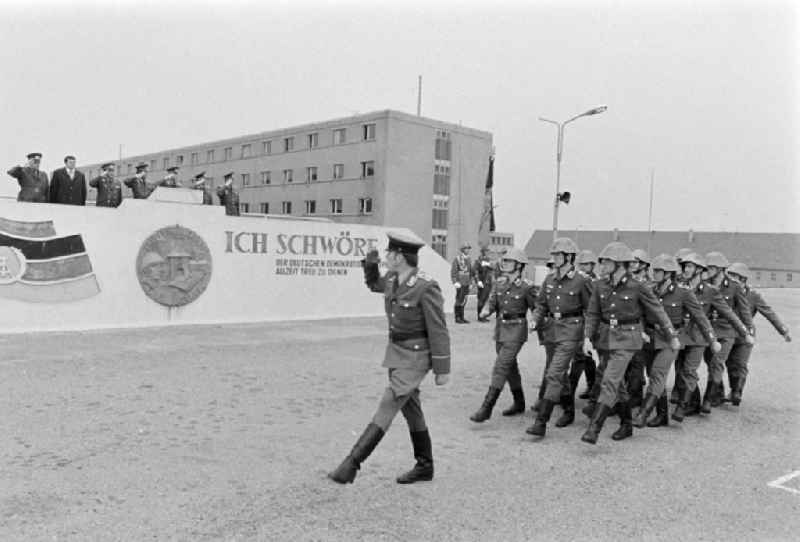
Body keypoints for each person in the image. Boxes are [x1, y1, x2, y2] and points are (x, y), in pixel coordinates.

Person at [328, 232, 450, 485]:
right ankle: (425, 465)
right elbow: (375, 285)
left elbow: (438, 329)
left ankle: (351, 464)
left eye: (389, 254)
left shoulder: (425, 286)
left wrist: (442, 368)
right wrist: (370, 266)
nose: (386, 257)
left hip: (416, 357)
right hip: (396, 354)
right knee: (411, 408)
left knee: (389, 402)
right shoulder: (394, 279)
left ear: (401, 257)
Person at [580, 242, 678, 444]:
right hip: (606, 338)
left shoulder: (638, 286)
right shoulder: (600, 285)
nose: (603, 264)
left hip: (628, 339)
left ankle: (594, 429)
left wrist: (672, 336)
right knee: (619, 385)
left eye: (607, 261)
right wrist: (588, 338)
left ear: (620, 264)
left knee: (609, 380)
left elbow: (657, 311)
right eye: (603, 261)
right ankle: (626, 425)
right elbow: (593, 314)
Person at [631, 255, 720, 429]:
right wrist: (641, 331)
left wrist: (712, 340)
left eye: (658, 271)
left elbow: (701, 318)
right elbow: (638, 312)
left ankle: (643, 413)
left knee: (658, 373)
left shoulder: (683, 293)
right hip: (649, 338)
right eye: (654, 270)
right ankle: (662, 415)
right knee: (654, 376)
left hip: (671, 340)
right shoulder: (648, 288)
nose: (654, 273)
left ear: (668, 274)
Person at [671, 252, 752, 420]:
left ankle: (692, 404)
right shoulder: (679, 286)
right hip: (682, 335)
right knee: (680, 368)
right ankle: (692, 402)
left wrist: (745, 332)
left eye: (691, 266)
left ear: (700, 270)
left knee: (698, 367)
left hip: (702, 335)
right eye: (685, 266)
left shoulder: (711, 291)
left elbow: (730, 313)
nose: (686, 269)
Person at [526, 237, 591, 437]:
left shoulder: (582, 280)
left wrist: (587, 337)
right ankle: (569, 410)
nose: (554, 258)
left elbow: (591, 310)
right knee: (560, 374)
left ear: (569, 257)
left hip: (572, 331)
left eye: (558, 255)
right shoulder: (550, 279)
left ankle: (541, 422)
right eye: (553, 255)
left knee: (553, 373)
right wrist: (535, 319)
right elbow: (541, 305)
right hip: (552, 330)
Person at [469, 248, 537, 422]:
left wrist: (535, 321)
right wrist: (485, 311)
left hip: (516, 331)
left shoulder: (527, 287)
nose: (504, 263)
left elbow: (537, 308)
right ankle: (519, 402)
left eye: (508, 261)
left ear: (519, 266)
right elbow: (491, 302)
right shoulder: (499, 283)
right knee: (510, 368)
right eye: (504, 261)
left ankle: (486, 408)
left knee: (501, 366)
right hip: (500, 330)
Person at [724, 262, 791, 405]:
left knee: (740, 363)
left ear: (743, 279)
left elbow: (769, 312)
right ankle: (729, 390)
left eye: (733, 277)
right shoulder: (725, 292)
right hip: (727, 334)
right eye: (729, 276)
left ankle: (737, 392)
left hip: (746, 336)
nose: (730, 280)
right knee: (729, 363)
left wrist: (783, 330)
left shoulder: (754, 296)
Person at [701, 251, 754, 411]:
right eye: (708, 267)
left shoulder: (734, 286)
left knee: (717, 363)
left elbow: (744, 311)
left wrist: (748, 331)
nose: (708, 270)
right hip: (709, 332)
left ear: (720, 269)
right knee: (710, 363)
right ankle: (717, 393)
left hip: (727, 332)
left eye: (712, 267)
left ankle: (707, 400)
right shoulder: (705, 285)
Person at [571, 249, 599, 400]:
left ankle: (569, 391)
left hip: (590, 321)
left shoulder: (594, 281)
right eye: (581, 264)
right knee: (585, 356)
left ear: (592, 265)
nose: (583, 267)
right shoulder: (579, 279)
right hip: (578, 322)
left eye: (586, 264)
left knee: (579, 357)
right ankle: (592, 385)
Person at [451, 242, 475, 324]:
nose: (467, 250)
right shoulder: (457, 259)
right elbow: (454, 271)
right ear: (462, 249)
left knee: (464, 300)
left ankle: (462, 317)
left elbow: (471, 272)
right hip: (460, 283)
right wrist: (455, 282)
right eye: (466, 248)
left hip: (467, 282)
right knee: (459, 300)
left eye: (468, 248)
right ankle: (457, 317)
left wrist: (471, 283)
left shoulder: (468, 259)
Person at [474, 246, 495, 322]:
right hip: (482, 283)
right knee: (481, 300)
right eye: (486, 251)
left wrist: (488, 264)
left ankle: (483, 316)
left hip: (488, 283)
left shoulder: (488, 261)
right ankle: (479, 317)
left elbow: (494, 267)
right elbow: (475, 271)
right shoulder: (478, 260)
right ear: (483, 252)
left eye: (488, 251)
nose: (488, 253)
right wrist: (478, 281)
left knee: (485, 300)